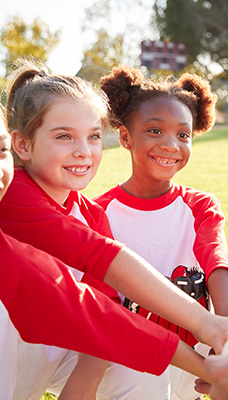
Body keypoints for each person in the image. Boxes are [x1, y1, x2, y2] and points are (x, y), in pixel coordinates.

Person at [0, 73, 212, 399]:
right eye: (64, 137)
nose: (83, 151)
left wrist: (87, 378)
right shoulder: (9, 196)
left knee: (136, 370)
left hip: (55, 351)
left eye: (93, 137)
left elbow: (101, 307)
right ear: (23, 145)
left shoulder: (92, 215)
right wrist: (206, 325)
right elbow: (97, 257)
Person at [94, 65, 228, 399]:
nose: (171, 144)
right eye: (155, 131)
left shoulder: (200, 205)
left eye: (183, 135)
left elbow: (217, 265)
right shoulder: (98, 213)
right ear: (125, 137)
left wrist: (226, 337)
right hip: (128, 361)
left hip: (192, 355)